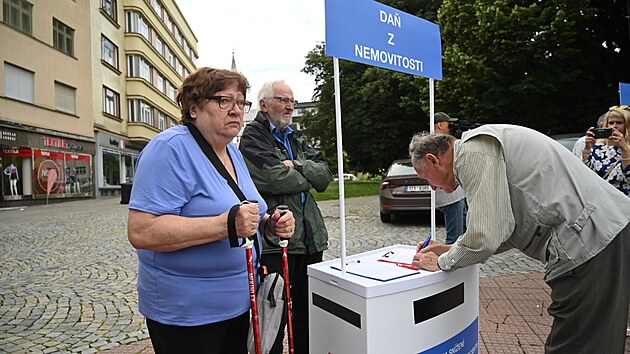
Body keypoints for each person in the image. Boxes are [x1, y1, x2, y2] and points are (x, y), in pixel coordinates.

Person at [408, 125, 630, 353]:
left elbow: (485, 236)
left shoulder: (471, 152)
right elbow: (503, 226)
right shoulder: (483, 146)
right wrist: (449, 248)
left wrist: (442, 262)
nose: (433, 188)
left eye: (427, 180)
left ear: (433, 160)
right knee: (599, 340)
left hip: (589, 243)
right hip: (606, 229)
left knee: (575, 345)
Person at [127, 67, 295, 354]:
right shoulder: (169, 149)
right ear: (194, 108)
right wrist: (225, 225)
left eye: (241, 102)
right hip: (189, 315)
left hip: (242, 303)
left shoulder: (233, 152)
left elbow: (244, 212)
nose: (236, 110)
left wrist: (268, 224)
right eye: (223, 101)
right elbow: (142, 231)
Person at [239, 80, 333, 354]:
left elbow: (325, 176)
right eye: (282, 100)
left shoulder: (296, 137)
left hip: (311, 240)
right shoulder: (253, 137)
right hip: (277, 241)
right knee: (274, 313)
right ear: (264, 105)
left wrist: (297, 165)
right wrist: (308, 176)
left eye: (291, 100)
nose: (290, 105)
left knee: (306, 315)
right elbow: (272, 177)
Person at [433, 112, 468, 244]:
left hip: (456, 195)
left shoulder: (436, 142)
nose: (451, 127)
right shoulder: (440, 143)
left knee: (463, 232)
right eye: (449, 124)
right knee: (455, 237)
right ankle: (450, 263)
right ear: (440, 125)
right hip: (451, 197)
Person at [580, 105, 630, 196]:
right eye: (611, 123)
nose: (614, 126)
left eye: (619, 122)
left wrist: (624, 149)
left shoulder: (626, 148)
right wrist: (587, 149)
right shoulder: (599, 148)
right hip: (604, 200)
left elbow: (628, 176)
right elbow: (584, 174)